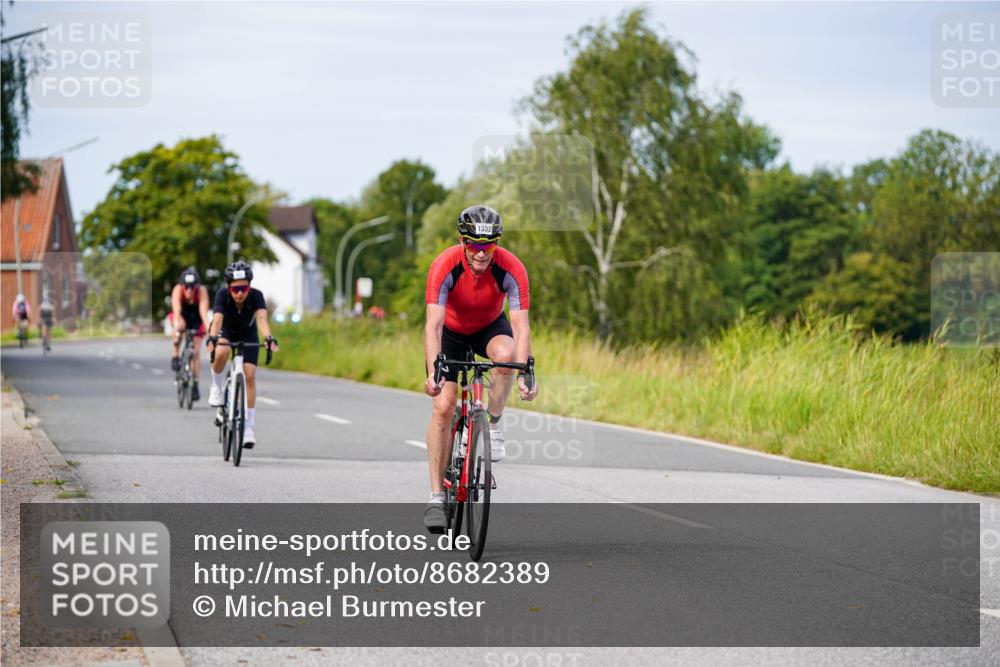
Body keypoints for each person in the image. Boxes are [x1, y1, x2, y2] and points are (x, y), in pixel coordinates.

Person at [421, 205, 539, 533]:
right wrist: (434, 372)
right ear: (462, 241)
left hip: (489, 326)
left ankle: (494, 423)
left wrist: (526, 373)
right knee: (444, 406)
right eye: (474, 245)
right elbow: (433, 326)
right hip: (451, 333)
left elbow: (521, 327)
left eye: (489, 246)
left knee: (507, 355)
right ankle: (436, 496)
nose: (482, 254)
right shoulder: (444, 266)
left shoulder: (512, 268)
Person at [205, 260, 278, 448]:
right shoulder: (222, 295)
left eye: (243, 289)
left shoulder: (257, 297)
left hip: (248, 333)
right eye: (235, 289)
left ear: (249, 286)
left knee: (250, 375)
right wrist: (212, 338)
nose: (239, 293)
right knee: (222, 351)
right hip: (226, 330)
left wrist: (268, 337)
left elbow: (261, 319)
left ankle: (248, 429)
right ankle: (217, 387)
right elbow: (218, 320)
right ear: (228, 287)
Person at [169, 267, 211, 401]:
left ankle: (195, 384)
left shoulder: (202, 291)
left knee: (196, 352)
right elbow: (177, 311)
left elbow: (204, 313)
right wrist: (176, 333)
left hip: (196, 318)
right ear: (183, 285)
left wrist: (210, 332)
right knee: (179, 326)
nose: (189, 290)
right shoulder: (177, 290)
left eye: (193, 287)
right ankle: (175, 354)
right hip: (182, 316)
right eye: (186, 287)